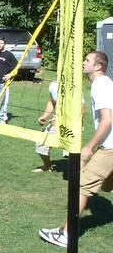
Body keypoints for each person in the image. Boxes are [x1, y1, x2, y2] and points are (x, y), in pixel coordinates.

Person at [39, 51, 113, 248]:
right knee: (107, 186)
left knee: (82, 187)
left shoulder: (101, 85)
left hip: (111, 148)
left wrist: (89, 147)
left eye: (87, 60)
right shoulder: (102, 84)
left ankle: (65, 234)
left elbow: (107, 120)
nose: (83, 62)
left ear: (98, 66)